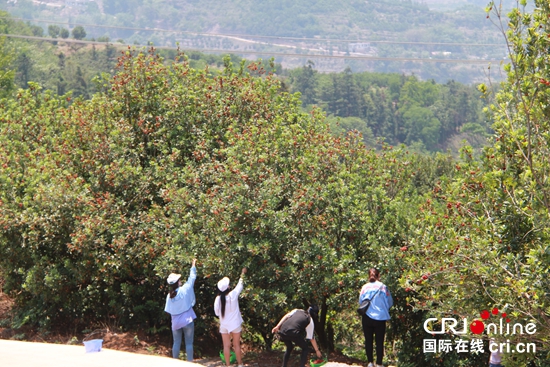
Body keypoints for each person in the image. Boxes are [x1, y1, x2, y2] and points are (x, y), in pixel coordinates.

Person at [358, 268, 393, 367]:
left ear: (369, 276)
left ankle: (370, 362)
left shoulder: (364, 287)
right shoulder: (383, 287)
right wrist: (382, 308)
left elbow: (361, 302)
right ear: (379, 275)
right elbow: (390, 302)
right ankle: (379, 363)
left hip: (367, 317)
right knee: (379, 341)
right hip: (380, 317)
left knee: (368, 340)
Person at [164, 259, 197, 361]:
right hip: (187, 321)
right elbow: (192, 278)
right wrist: (193, 265)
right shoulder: (184, 289)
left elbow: (168, 310)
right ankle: (190, 363)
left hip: (176, 323)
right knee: (189, 343)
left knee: (176, 343)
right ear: (178, 282)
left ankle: (175, 362)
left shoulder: (169, 296)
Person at [215, 267, 247, 367]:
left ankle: (228, 365)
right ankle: (240, 364)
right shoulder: (233, 294)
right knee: (236, 345)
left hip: (224, 325)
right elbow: (240, 285)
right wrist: (242, 273)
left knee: (226, 346)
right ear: (228, 287)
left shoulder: (218, 299)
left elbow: (216, 313)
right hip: (235, 324)